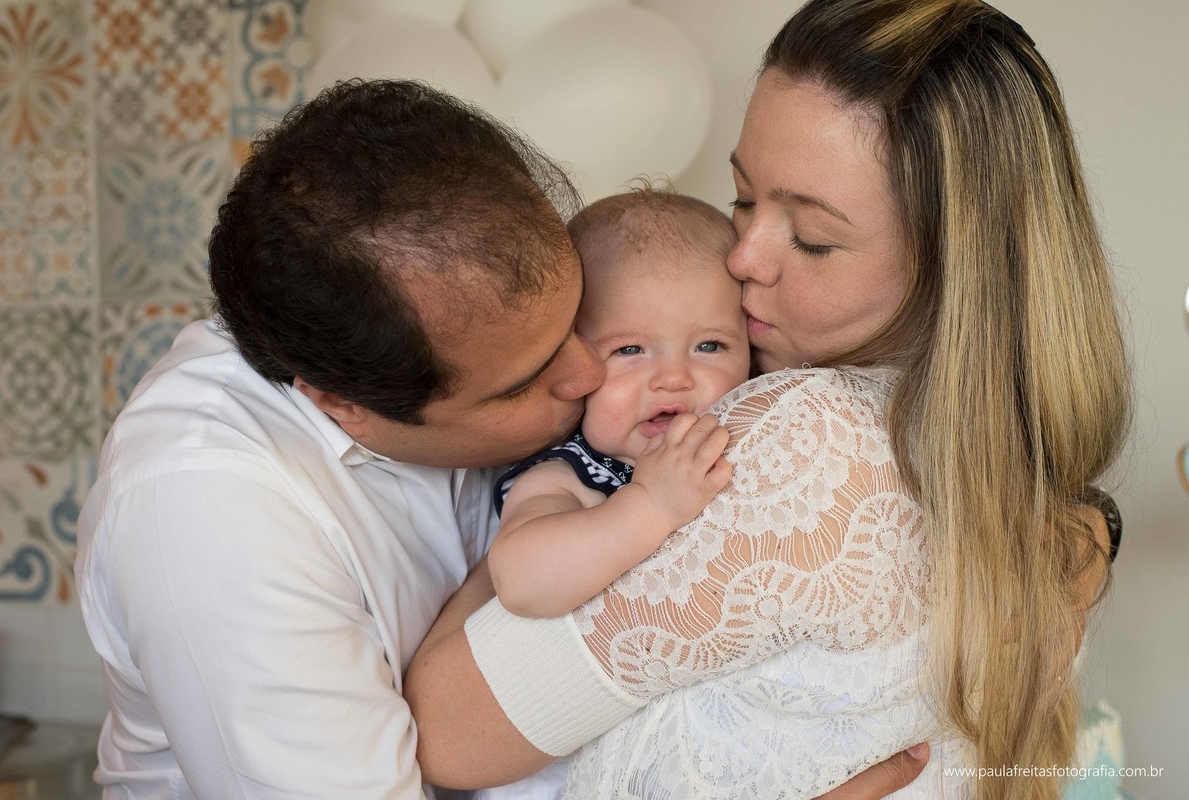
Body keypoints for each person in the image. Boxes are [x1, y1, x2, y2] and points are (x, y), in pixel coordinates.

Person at [74, 78, 927, 799]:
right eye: (526, 383)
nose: (590, 376)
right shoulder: (209, 517)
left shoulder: (494, 315)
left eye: (581, 325)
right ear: (347, 408)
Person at [404, 1, 1128, 799]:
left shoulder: (806, 441)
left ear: (956, 268)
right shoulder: (1026, 480)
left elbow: (436, 731)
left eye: (811, 237)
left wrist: (538, 487)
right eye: (744, 198)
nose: (743, 255)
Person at [488, 188, 749, 620]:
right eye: (629, 350)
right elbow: (520, 583)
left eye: (709, 344)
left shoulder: (758, 423)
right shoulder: (565, 475)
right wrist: (652, 506)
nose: (673, 379)